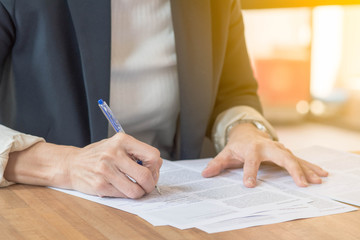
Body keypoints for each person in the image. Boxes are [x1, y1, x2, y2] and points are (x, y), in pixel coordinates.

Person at [0, 0, 328, 198]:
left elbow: (234, 91)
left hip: (175, 203)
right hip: (46, 208)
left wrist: (244, 129)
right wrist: (66, 165)